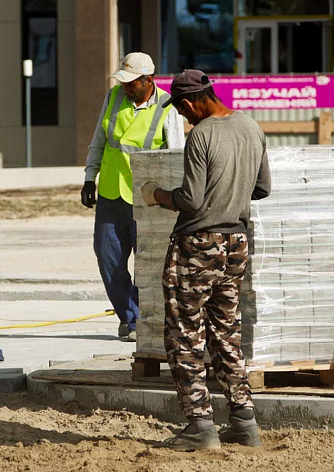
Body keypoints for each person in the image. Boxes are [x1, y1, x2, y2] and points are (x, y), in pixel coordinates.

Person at [140, 69, 270, 450]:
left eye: (182, 113)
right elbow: (262, 188)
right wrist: (231, 195)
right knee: (227, 333)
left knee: (184, 334)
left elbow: (192, 199)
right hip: (236, 244)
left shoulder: (201, 135)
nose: (184, 120)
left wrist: (159, 195)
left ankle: (200, 424)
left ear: (188, 103)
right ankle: (244, 421)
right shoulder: (251, 126)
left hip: (197, 245)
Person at [81, 52, 185, 342]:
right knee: (108, 257)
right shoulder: (114, 97)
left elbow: (176, 154)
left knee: (148, 262)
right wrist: (90, 178)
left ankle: (146, 319)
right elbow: (99, 140)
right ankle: (129, 317)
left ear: (148, 80)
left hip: (149, 197)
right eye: (123, 81)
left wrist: (174, 197)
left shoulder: (167, 106)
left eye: (131, 83)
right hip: (112, 193)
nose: (125, 87)